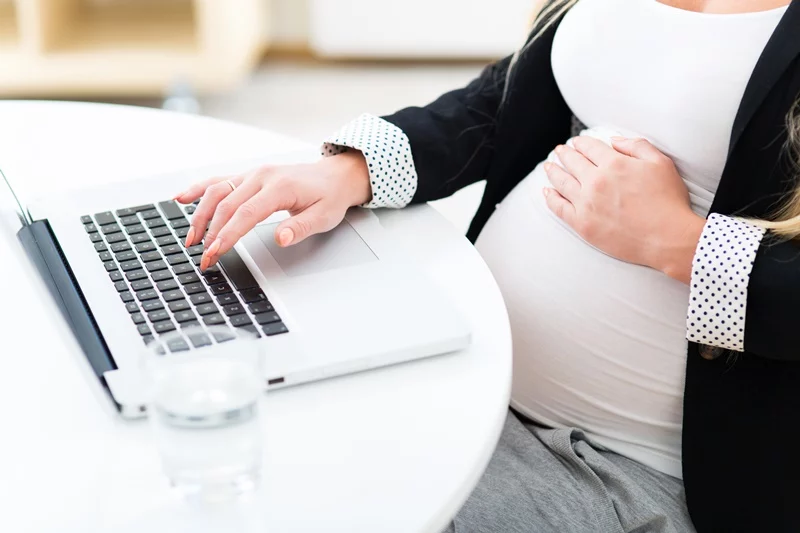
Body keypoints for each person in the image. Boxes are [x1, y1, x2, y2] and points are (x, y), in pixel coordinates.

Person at [175, 0, 800, 530]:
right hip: (467, 370)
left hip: (620, 465)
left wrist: (676, 242)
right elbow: (509, 100)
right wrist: (352, 168)